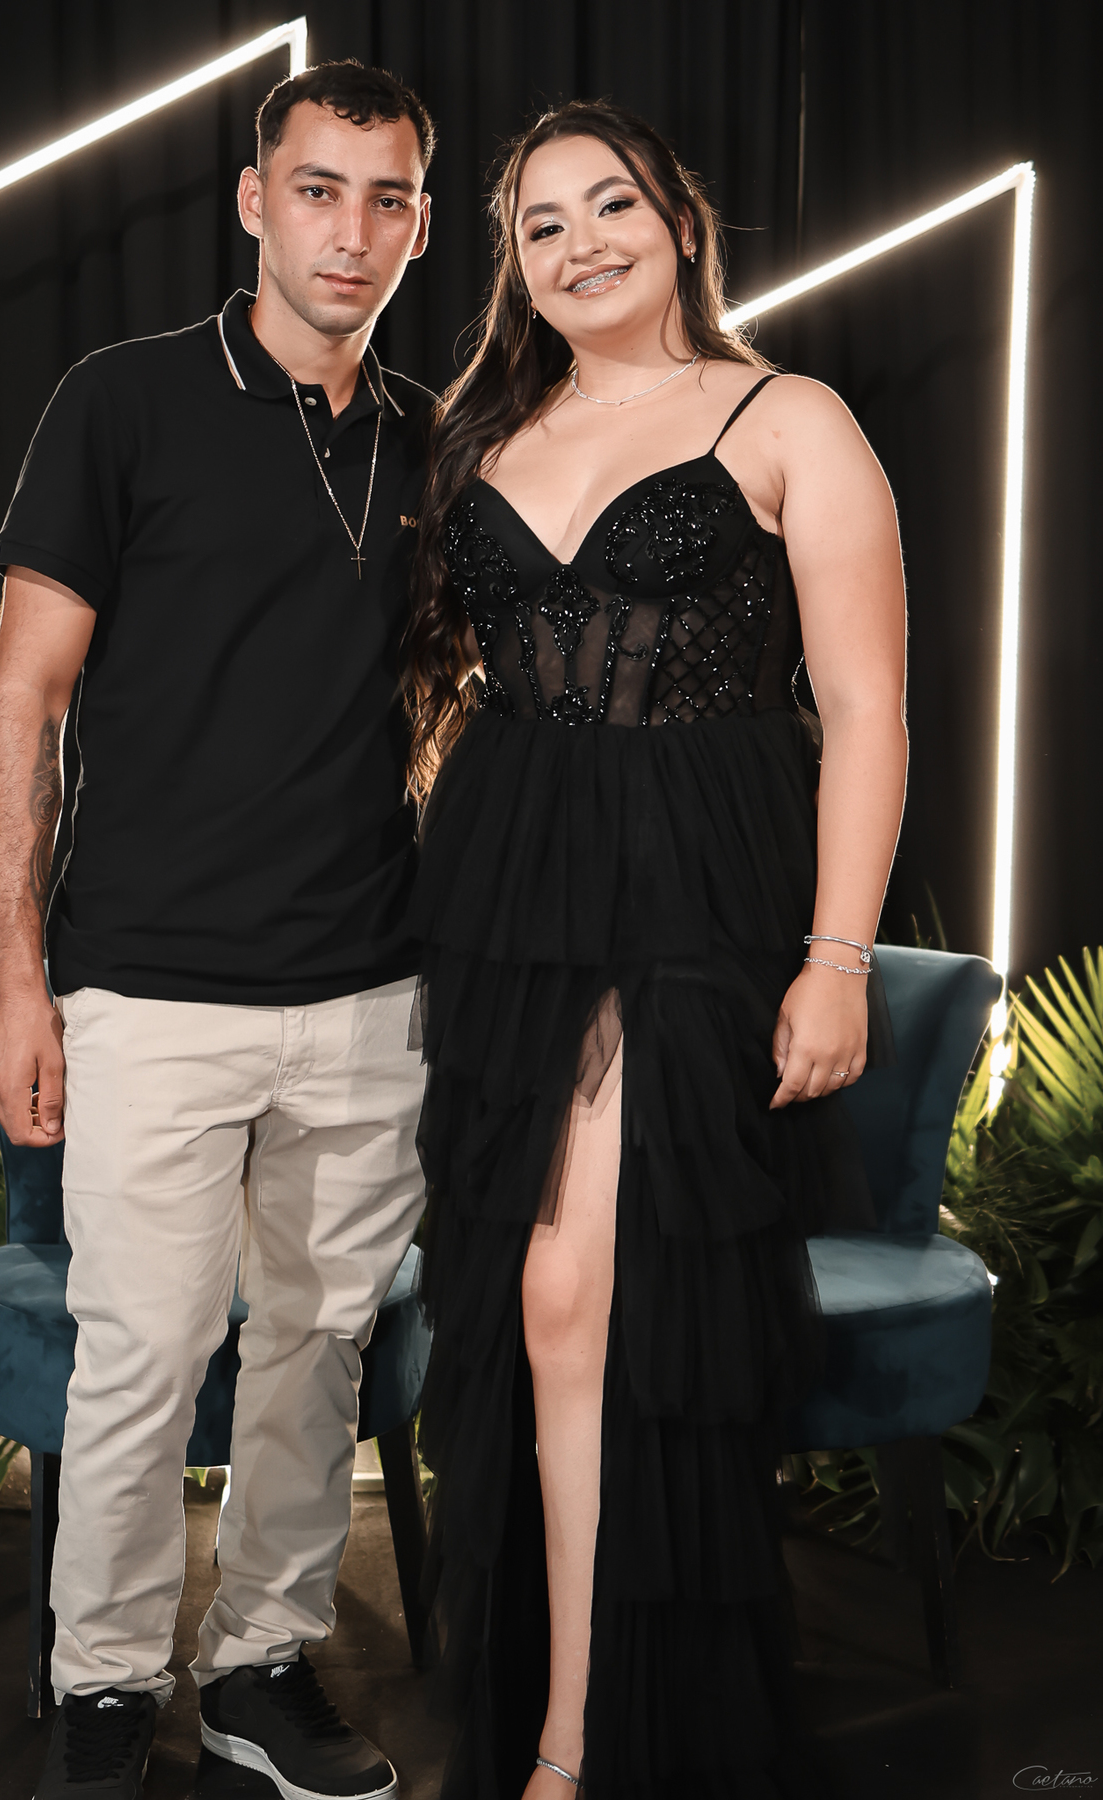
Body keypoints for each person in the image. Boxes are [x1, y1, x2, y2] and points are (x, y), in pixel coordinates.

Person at [403, 100, 908, 1799]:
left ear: (680, 219)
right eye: (541, 225)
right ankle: (567, 1715)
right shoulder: (486, 432)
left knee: (586, 1295)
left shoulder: (791, 416)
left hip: (705, 887)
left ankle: (583, 1745)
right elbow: (451, 680)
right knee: (534, 1305)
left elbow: (867, 707)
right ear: (514, 266)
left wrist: (838, 955)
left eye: (609, 204)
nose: (581, 244)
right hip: (513, 902)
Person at [0, 61, 436, 1800]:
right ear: (254, 201)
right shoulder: (123, 400)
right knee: (144, 1361)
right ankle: (103, 1688)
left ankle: (260, 1668)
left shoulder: (432, 438)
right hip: (151, 989)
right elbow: (22, 706)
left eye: (388, 199)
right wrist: (22, 983)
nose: (351, 231)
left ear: (420, 226)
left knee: (317, 1355)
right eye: (319, 190)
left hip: (371, 992)